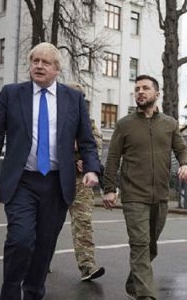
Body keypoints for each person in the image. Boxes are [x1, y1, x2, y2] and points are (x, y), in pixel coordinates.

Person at [0, 42, 101, 300]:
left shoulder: (74, 99)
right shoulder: (11, 94)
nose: (39, 66)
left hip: (57, 184)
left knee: (44, 247)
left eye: (45, 62)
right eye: (35, 61)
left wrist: (92, 168)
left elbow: (87, 140)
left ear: (57, 69)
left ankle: (33, 293)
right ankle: (10, 293)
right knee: (21, 239)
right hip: (22, 181)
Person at [102, 74, 187, 300]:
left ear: (157, 94)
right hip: (134, 196)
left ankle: (134, 283)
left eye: (145, 88)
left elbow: (183, 149)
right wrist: (110, 189)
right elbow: (113, 158)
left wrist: (186, 165)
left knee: (150, 246)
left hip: (160, 195)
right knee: (140, 243)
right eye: (137, 88)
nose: (140, 92)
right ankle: (145, 295)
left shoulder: (169, 124)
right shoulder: (125, 124)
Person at [66, 82, 105, 281]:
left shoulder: (88, 123)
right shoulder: (53, 119)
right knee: (46, 224)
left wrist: (87, 161)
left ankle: (87, 266)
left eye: (80, 97)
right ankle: (40, 261)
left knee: (83, 223)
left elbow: (95, 145)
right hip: (54, 180)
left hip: (80, 181)